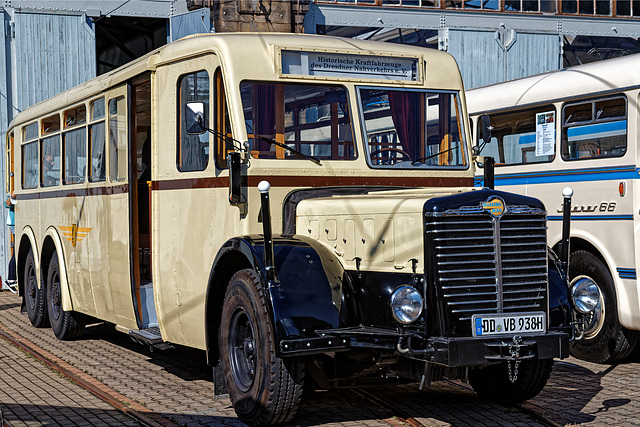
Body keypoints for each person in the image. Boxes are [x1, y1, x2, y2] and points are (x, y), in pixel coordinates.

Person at [5, 193, 16, 293]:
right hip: (14, 224)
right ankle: (11, 279)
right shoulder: (13, 192)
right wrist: (12, 197)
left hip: (17, 223)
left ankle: (12, 279)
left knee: (16, 252)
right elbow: (7, 204)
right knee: (16, 253)